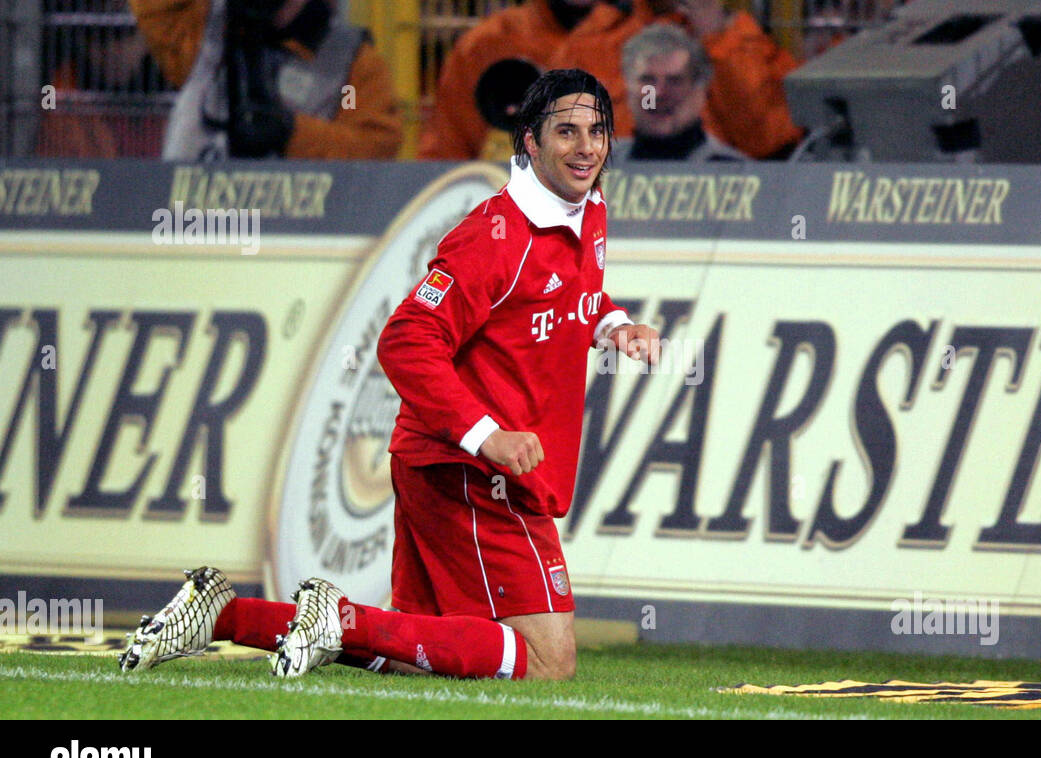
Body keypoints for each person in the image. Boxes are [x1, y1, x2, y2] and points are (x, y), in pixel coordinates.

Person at [120, 69, 660, 682]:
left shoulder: (586, 211)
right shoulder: (494, 238)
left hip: (443, 463)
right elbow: (405, 340)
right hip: (474, 470)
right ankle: (340, 620)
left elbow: (569, 292)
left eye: (597, 131)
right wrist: (488, 437)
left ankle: (221, 615)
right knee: (545, 660)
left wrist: (614, 326)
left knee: (419, 654)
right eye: (566, 131)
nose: (586, 147)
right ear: (530, 143)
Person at [418, 0, 801, 160]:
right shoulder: (487, 46)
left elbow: (770, 143)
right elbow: (442, 169)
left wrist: (717, 33)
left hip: (676, 234)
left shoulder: (683, 35)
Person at [129, 0, 400, 160]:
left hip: (294, 241)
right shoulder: (201, 30)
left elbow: (371, 146)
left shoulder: (351, 64)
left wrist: (290, 132)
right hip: (199, 230)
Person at [619, 23, 746, 160]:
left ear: (699, 93)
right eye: (648, 80)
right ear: (628, 88)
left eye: (674, 81)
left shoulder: (737, 172)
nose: (659, 93)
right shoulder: (599, 167)